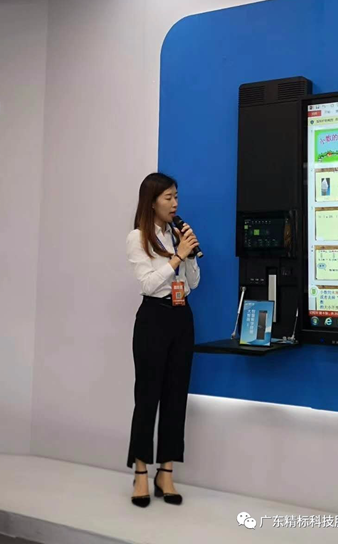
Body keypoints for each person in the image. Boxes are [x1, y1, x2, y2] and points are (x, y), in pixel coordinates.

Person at [126, 172, 201, 508]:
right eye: (168, 197)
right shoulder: (138, 238)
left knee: (175, 396)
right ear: (152, 201)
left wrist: (191, 255)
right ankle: (141, 472)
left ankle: (166, 472)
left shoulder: (177, 234)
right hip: (153, 319)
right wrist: (177, 256)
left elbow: (193, 283)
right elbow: (148, 284)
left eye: (176, 197)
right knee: (147, 397)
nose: (175, 203)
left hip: (181, 317)